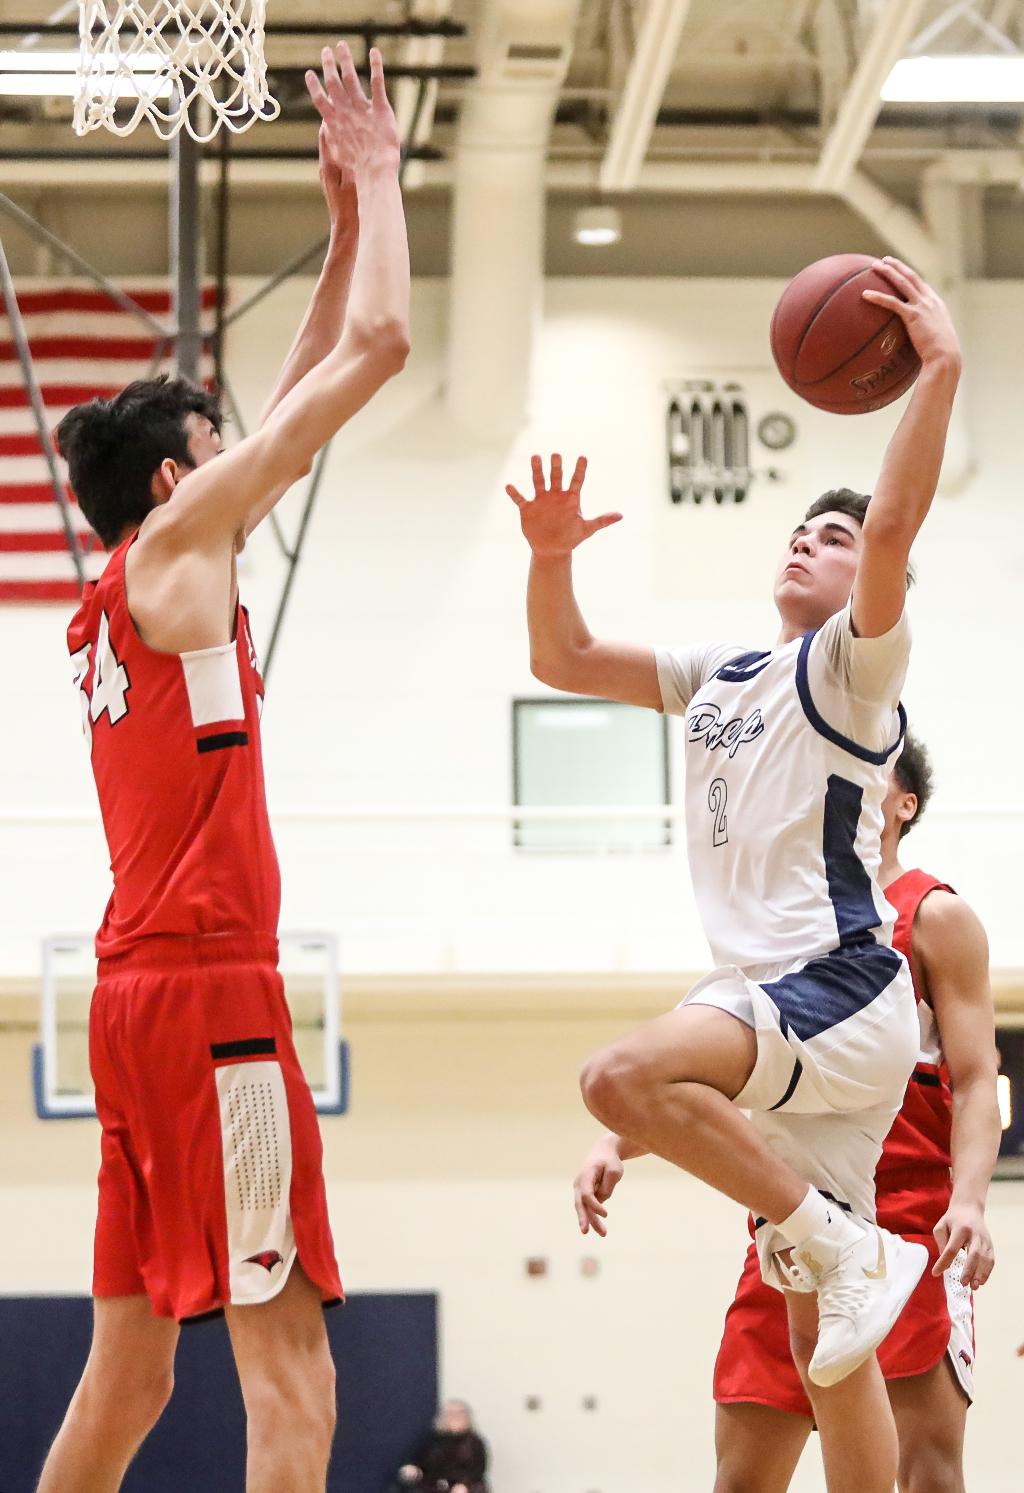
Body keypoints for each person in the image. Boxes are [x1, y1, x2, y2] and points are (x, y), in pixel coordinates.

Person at [510, 258, 963, 1493]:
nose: (813, 542)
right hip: (786, 1004)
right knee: (828, 1343)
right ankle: (837, 1248)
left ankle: (835, 1240)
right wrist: (551, 553)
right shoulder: (722, 672)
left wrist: (942, 371)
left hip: (832, 981)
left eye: (835, 535)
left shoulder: (852, 673)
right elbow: (563, 653)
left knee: (617, 1075)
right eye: (799, 528)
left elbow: (890, 525)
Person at [37, 42, 409, 1493]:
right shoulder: (185, 552)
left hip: (133, 1003)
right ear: (176, 484)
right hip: (210, 996)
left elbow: (304, 388)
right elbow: (372, 356)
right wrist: (378, 185)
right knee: (294, 1377)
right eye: (221, 447)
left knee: (127, 1374)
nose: (250, 453)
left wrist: (331, 227)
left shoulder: (136, 579)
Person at [578, 736, 1001, 1493]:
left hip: (907, 1224)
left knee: (928, 1474)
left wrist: (971, 1197)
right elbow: (736, 1059)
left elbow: (977, 1079)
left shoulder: (936, 916)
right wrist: (620, 1136)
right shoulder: (787, 927)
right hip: (791, 1225)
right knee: (741, 1479)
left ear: (902, 805)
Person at [394, 1398, 489, 1493]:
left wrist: (464, 1484)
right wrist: (414, 1469)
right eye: (450, 1414)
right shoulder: (431, 1439)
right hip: (432, 1484)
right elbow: (418, 1460)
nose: (455, 1417)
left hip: (462, 1485)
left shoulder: (475, 1442)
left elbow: (477, 1470)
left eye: (459, 1414)